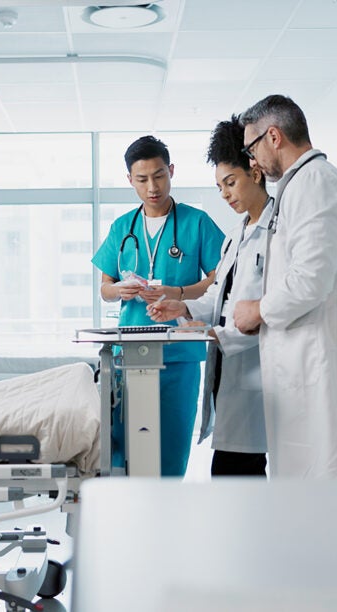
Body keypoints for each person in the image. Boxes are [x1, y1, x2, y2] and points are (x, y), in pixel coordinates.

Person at [233, 94, 337, 479]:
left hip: (325, 362)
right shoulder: (303, 186)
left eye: (251, 149)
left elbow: (311, 279)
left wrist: (257, 309)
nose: (252, 162)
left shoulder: (315, 185)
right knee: (318, 474)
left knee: (330, 473)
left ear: (273, 136)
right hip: (311, 362)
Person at [92, 135, 225, 477]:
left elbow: (220, 280)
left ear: (171, 171)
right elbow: (104, 288)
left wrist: (177, 291)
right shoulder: (123, 227)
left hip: (179, 353)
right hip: (131, 349)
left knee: (171, 448)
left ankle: (167, 521)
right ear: (130, 180)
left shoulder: (197, 223)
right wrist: (118, 289)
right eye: (142, 179)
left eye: (159, 175)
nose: (152, 186)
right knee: (128, 449)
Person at [148, 117, 273, 477]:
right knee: (234, 477)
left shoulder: (276, 231)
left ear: (255, 170)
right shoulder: (238, 234)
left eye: (230, 183)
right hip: (231, 377)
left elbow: (272, 308)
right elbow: (222, 293)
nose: (226, 194)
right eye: (220, 187)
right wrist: (184, 306)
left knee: (237, 479)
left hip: (258, 377)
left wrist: (215, 333)